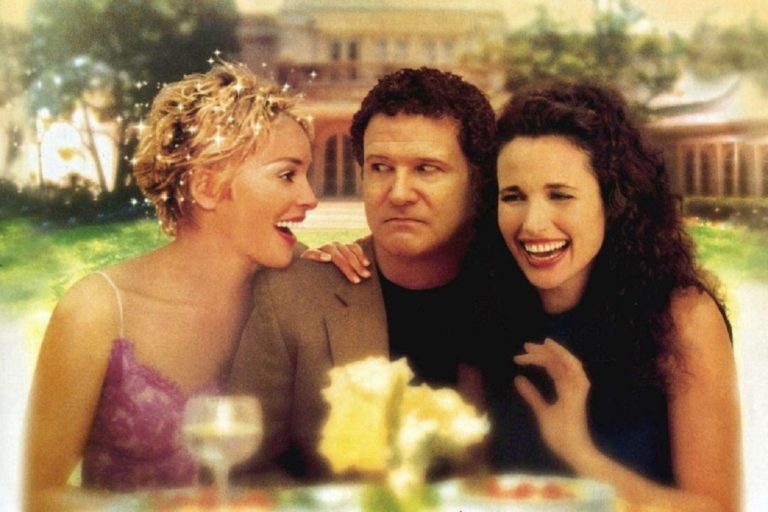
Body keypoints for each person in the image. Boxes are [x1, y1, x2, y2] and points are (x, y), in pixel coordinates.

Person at [23, 61, 318, 506]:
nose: (310, 198)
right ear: (207, 186)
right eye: (286, 174)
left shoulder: (297, 289)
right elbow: (35, 494)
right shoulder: (97, 311)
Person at [227, 67, 510, 480]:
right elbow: (243, 469)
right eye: (380, 167)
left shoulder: (519, 297)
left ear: (477, 181)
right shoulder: (292, 297)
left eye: (426, 169)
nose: (398, 193)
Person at [491, 81, 741, 511]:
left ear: (613, 201)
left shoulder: (683, 317)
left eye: (560, 195)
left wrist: (581, 454)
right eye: (513, 196)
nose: (532, 223)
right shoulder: (489, 307)